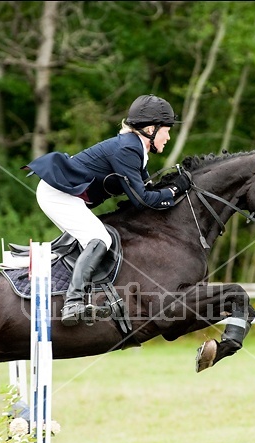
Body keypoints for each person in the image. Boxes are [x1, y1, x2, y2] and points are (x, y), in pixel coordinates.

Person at [22, 94, 191, 326]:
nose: (169, 136)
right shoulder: (128, 149)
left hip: (65, 195)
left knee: (95, 240)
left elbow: (146, 190)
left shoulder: (136, 150)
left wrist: (172, 189)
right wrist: (173, 191)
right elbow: (143, 200)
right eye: (167, 129)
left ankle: (90, 296)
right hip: (57, 194)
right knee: (99, 237)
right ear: (151, 128)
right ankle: (73, 302)